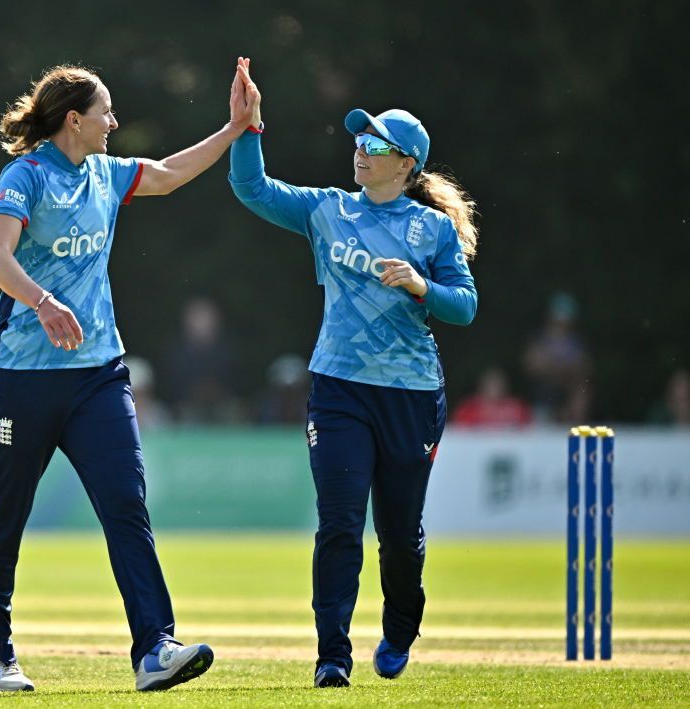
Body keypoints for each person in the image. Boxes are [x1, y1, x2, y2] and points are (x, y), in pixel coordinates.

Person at [0, 63, 256, 693]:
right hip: (22, 377)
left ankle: (155, 649)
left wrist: (235, 127)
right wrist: (43, 302)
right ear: (75, 120)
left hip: (99, 375)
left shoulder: (106, 174)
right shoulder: (26, 175)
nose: (114, 122)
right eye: (105, 112)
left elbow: (172, 173)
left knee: (127, 505)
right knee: (5, 516)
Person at [228, 58, 478, 687]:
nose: (361, 152)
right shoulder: (327, 209)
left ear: (407, 165)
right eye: (360, 141)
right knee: (339, 522)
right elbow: (252, 190)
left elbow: (466, 307)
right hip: (338, 388)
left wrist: (423, 285)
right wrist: (247, 130)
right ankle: (332, 656)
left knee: (399, 537)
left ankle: (399, 631)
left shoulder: (433, 228)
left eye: (376, 145)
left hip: (411, 395)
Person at [523, 292, 591, 423]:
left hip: (568, 393)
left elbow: (585, 368)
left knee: (583, 389)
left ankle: (574, 419)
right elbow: (532, 366)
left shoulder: (576, 341)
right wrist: (563, 368)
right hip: (542, 395)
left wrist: (552, 366)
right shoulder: (539, 338)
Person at [452, 367, 532, 428]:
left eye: (498, 383)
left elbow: (530, 430)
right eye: (491, 383)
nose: (495, 387)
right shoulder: (469, 408)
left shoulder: (517, 407)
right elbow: (459, 432)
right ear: (482, 385)